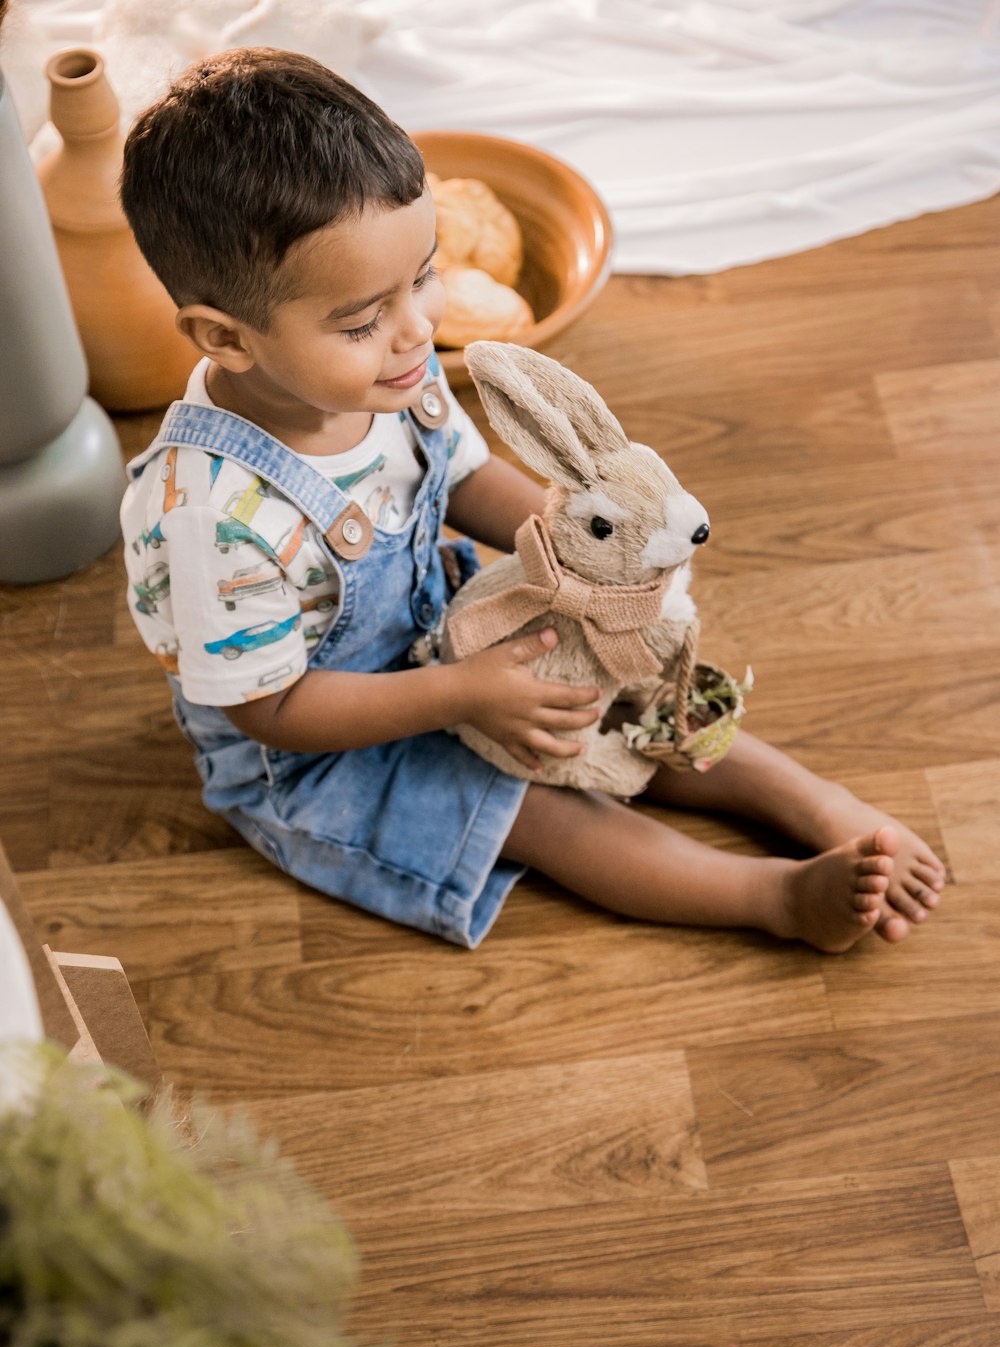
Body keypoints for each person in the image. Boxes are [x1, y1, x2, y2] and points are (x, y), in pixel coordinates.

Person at [119, 46, 945, 954]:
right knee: (534, 807)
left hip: (446, 624)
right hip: (327, 739)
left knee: (616, 683)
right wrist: (462, 695)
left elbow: (464, 479)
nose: (417, 329)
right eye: (361, 320)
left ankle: (811, 800)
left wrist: (589, 570)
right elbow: (267, 710)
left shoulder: (391, 364)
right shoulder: (215, 521)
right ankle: (775, 898)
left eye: (423, 277)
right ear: (223, 338)